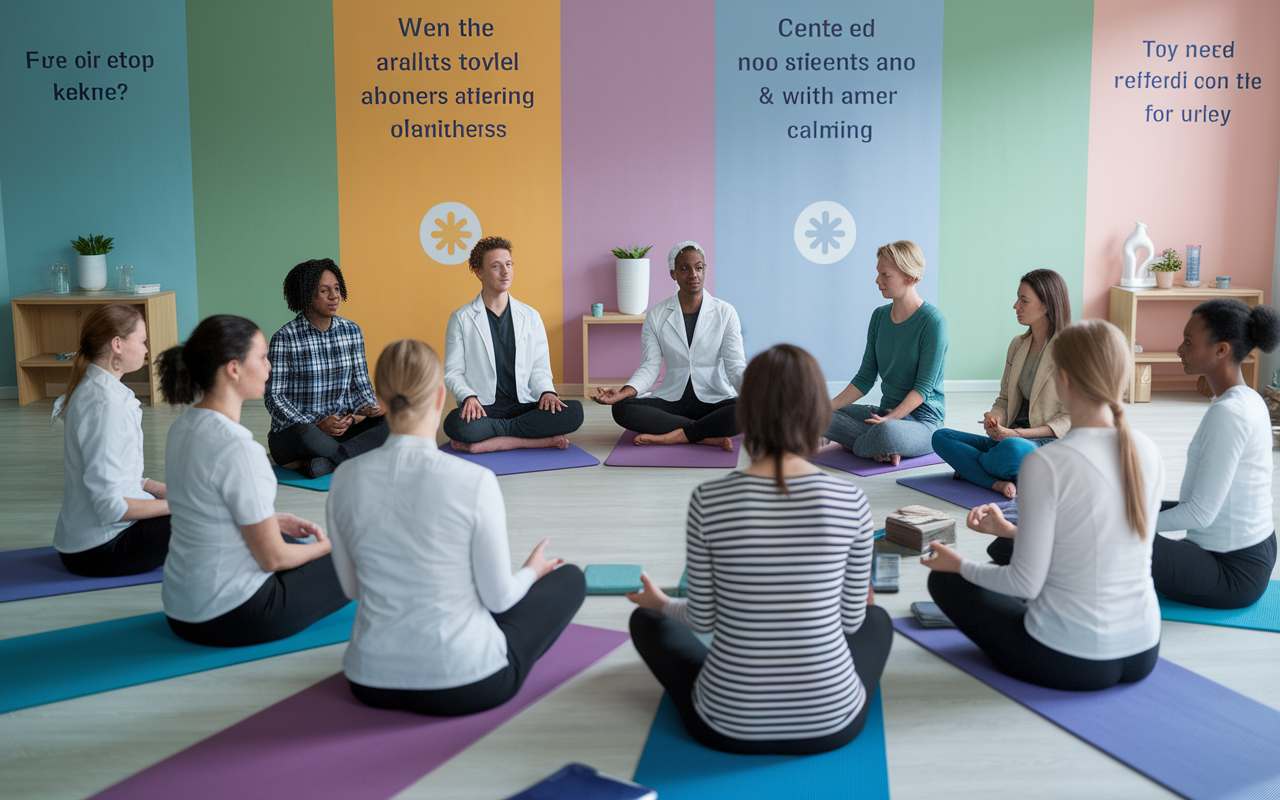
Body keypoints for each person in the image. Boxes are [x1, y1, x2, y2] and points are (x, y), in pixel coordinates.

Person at [626, 344, 891, 754]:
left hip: (727, 724)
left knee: (647, 621)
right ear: (819, 411)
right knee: (879, 622)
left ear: (745, 413)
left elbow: (702, 618)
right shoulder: (851, 500)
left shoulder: (708, 500)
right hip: (832, 722)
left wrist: (660, 602)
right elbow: (852, 623)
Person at [329, 338, 586, 715]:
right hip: (466, 683)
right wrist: (532, 571)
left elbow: (352, 589)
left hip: (370, 681)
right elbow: (499, 598)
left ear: (380, 401)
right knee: (570, 579)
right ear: (437, 398)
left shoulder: (344, 478)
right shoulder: (473, 481)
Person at [924, 319, 1164, 692]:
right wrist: (1008, 531)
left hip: (1069, 659)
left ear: (1063, 378)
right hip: (1144, 650)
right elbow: (1092, 543)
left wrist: (958, 565)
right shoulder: (1147, 451)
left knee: (946, 580)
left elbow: (1023, 581)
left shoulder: (1047, 464)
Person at [157, 315, 348, 647]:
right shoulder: (239, 448)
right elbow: (272, 559)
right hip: (234, 615)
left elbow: (201, 506)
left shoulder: (183, 427)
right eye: (262, 357)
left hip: (180, 609)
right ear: (234, 368)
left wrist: (274, 521)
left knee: (294, 544)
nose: (269, 366)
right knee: (360, 550)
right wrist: (325, 548)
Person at [1153, 300, 1279, 609]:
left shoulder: (1231, 414)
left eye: (1188, 342)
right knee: (1120, 510)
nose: (1179, 349)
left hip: (1233, 571)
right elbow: (1200, 505)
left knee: (1107, 535)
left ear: (1221, 350)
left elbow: (1199, 514)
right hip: (1246, 553)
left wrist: (1123, 522)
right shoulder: (1246, 398)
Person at [53, 304, 171, 577]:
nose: (146, 350)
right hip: (101, 549)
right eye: (142, 341)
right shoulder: (106, 405)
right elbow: (111, 506)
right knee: (207, 511)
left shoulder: (97, 391)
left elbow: (108, 475)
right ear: (117, 344)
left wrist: (153, 486)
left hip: (88, 542)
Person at [932, 270, 1072, 500]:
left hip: (1043, 445)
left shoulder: (1070, 350)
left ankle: (975, 470)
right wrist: (995, 418)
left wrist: (1016, 434)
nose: (1016, 305)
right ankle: (996, 481)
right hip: (1007, 439)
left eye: (1024, 300)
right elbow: (1004, 399)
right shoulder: (1017, 345)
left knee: (1013, 450)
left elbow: (1068, 419)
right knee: (941, 437)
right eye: (1018, 298)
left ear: (1046, 305)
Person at [594, 241, 745, 451]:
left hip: (714, 399)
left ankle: (674, 435)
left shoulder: (725, 313)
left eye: (698, 267)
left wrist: (754, 395)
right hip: (674, 402)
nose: (693, 274)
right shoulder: (656, 315)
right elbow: (649, 366)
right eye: (684, 269)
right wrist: (623, 392)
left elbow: (735, 366)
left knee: (747, 410)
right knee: (622, 409)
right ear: (673, 274)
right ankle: (704, 435)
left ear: (705, 270)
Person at [443, 236, 583, 453]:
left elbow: (539, 368)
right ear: (478, 271)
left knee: (574, 412)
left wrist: (547, 392)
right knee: (457, 424)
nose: (505, 272)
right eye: (496, 266)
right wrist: (468, 397)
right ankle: (536, 439)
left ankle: (491, 441)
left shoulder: (530, 316)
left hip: (523, 406)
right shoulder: (461, 318)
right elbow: (453, 372)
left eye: (508, 264)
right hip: (483, 408)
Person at [264, 258, 388, 478]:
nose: (334, 296)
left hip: (342, 430)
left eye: (337, 289)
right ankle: (353, 457)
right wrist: (316, 424)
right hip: (300, 432)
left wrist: (365, 410)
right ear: (307, 295)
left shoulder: (352, 331)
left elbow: (360, 384)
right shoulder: (285, 338)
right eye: (324, 291)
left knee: (392, 419)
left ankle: (324, 464)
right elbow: (275, 398)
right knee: (306, 434)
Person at [827, 241, 947, 465]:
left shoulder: (933, 322)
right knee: (819, 418)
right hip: (883, 413)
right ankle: (880, 447)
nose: (877, 281)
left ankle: (876, 444)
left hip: (923, 422)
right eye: (878, 273)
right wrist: (826, 407)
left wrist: (890, 420)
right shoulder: (879, 317)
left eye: (885, 275)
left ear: (909, 277)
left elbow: (922, 389)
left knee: (887, 433)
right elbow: (864, 378)